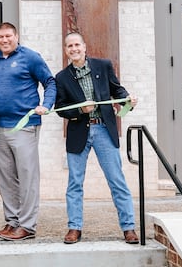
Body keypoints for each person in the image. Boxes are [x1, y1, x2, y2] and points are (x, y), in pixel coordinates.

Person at [54, 32, 140, 245]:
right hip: (78, 133)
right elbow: (60, 108)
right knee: (75, 183)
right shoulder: (62, 77)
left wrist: (127, 98)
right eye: (69, 46)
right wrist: (80, 111)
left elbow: (116, 89)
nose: (74, 49)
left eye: (77, 45)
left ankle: (129, 227)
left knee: (116, 180)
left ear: (84, 47)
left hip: (103, 129)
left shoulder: (103, 66)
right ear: (66, 51)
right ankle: (74, 228)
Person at [0, 22, 56, 241]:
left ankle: (27, 226)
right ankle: (12, 222)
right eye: (0, 37)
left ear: (16, 36)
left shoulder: (30, 57)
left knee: (27, 176)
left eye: (8, 36)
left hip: (25, 126)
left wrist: (47, 104)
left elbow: (50, 82)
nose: (4, 40)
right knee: (6, 178)